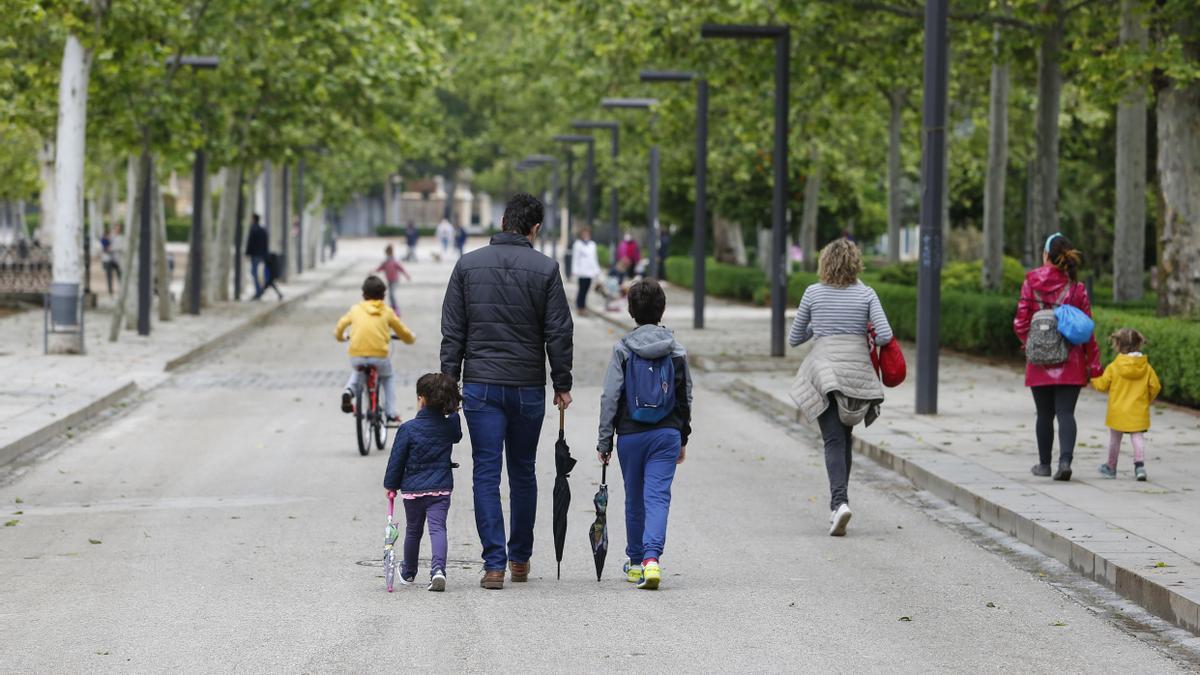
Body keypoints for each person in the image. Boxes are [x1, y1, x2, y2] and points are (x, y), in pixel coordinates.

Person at [440, 192, 573, 590]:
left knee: (485, 472)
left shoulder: (467, 266)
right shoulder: (546, 269)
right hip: (527, 388)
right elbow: (558, 331)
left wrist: (449, 384)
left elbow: (453, 332)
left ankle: (493, 565)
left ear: (502, 222)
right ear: (535, 229)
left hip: (480, 386)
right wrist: (561, 382)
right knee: (523, 472)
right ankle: (520, 559)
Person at [788, 238, 892, 537]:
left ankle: (839, 503)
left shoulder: (813, 293)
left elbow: (795, 338)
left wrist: (819, 326)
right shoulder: (866, 294)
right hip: (856, 373)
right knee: (845, 438)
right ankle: (840, 503)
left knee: (833, 439)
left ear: (825, 263)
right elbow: (884, 335)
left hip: (824, 371)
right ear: (855, 263)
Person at [596, 279, 691, 590]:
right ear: (662, 309)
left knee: (634, 498)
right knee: (658, 497)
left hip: (631, 434)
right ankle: (652, 559)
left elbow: (611, 396)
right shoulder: (676, 349)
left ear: (631, 311)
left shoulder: (623, 349)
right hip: (666, 434)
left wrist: (605, 439)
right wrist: (683, 437)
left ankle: (635, 563)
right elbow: (684, 396)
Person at [1013, 233, 1101, 481]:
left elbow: (1020, 322)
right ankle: (1065, 461)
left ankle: (1044, 465)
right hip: (1070, 360)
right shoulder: (1076, 288)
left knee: (1043, 414)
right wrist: (1093, 363)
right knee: (1066, 413)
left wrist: (1031, 345)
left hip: (1038, 360)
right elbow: (1087, 329)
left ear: (1045, 255)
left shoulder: (1030, 282)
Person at [384, 373, 463, 591]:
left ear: (421, 399)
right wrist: (453, 411)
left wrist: (391, 485)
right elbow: (457, 434)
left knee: (413, 531)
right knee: (438, 529)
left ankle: (409, 571)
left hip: (413, 490)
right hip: (441, 488)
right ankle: (438, 570)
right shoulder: (449, 426)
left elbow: (396, 460)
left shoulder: (408, 429)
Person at [335, 276, 416, 424]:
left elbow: (341, 325)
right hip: (379, 355)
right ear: (384, 296)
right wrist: (410, 338)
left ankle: (349, 391)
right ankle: (391, 413)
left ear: (363, 294)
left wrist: (341, 337)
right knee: (387, 377)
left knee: (358, 371)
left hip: (357, 354)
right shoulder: (387, 311)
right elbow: (402, 331)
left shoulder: (355, 309)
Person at [1092, 328, 1161, 481]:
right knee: (1137, 438)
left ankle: (1111, 467)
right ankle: (1140, 467)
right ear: (1139, 344)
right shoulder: (1146, 368)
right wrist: (1146, 399)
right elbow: (1155, 386)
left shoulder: (1114, 367)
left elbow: (1103, 385)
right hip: (1138, 410)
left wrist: (1092, 379)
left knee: (1114, 440)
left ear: (1118, 345)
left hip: (1117, 410)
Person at [571, 227, 601, 314]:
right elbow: (575, 258)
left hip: (590, 271)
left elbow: (594, 258)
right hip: (582, 271)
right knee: (582, 290)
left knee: (586, 289)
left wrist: (597, 270)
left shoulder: (592, 244)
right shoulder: (578, 244)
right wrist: (574, 270)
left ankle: (582, 305)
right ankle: (580, 307)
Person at [376, 244, 411, 315]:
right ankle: (393, 306)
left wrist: (406, 275)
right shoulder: (386, 261)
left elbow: (401, 268)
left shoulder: (394, 261)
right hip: (389, 280)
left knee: (392, 294)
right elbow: (380, 268)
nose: (387, 254)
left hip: (395, 280)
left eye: (388, 253)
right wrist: (374, 271)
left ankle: (396, 308)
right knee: (390, 294)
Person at [245, 214, 268, 297]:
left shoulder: (253, 229)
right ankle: (261, 289)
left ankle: (259, 291)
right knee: (259, 273)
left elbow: (250, 243)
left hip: (255, 255)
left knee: (254, 272)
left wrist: (247, 253)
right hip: (261, 255)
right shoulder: (263, 230)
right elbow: (266, 244)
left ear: (254, 219)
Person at [99, 227, 122, 295]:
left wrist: (112, 248)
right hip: (108, 259)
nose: (117, 230)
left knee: (120, 275)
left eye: (118, 229)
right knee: (109, 276)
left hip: (116, 259)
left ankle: (121, 289)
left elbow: (119, 247)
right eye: (116, 229)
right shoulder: (108, 237)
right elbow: (103, 247)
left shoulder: (119, 238)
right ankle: (110, 291)